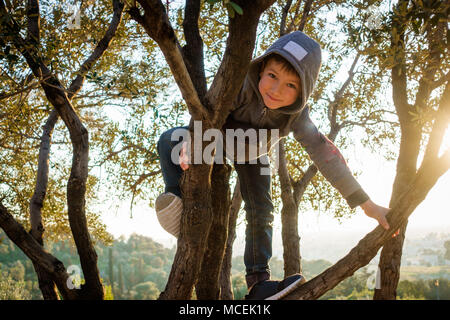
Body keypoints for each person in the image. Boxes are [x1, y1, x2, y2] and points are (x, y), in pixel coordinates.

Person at [155, 31, 390, 300]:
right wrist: (194, 138)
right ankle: (178, 201)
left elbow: (325, 155)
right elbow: (208, 113)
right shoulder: (240, 83)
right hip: (218, 137)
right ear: (262, 68)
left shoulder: (298, 118)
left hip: (254, 151)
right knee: (169, 141)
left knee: (261, 207)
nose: (277, 90)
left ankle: (258, 282)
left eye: (291, 86)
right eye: (273, 76)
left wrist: (365, 203)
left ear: (303, 93)